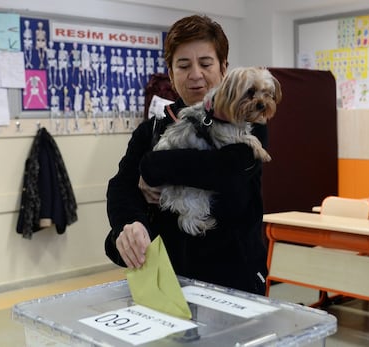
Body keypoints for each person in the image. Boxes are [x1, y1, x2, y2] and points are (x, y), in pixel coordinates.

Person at [105, 15, 268, 295]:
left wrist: (152, 167)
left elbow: (225, 170)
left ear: (224, 68)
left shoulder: (248, 121)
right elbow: (120, 187)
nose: (195, 75)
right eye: (183, 65)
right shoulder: (151, 129)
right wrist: (130, 224)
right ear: (170, 73)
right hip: (165, 280)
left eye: (205, 64)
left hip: (234, 279)